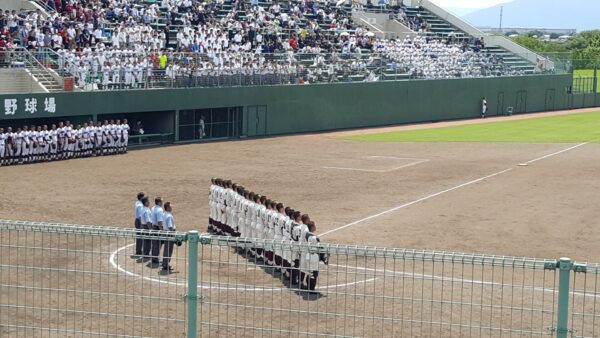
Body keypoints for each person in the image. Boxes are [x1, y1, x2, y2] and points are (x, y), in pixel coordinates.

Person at [301, 221, 328, 293]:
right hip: (313, 256)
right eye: (314, 226)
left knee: (310, 272)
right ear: (312, 227)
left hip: (308, 255)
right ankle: (311, 289)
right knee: (313, 273)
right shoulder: (314, 237)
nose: (315, 227)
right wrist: (324, 256)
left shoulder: (306, 234)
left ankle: (308, 287)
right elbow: (319, 248)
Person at [162, 202, 176, 272]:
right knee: (168, 250)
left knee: (166, 249)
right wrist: (174, 236)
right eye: (170, 206)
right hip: (169, 233)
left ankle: (165, 264)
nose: (171, 207)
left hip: (165, 232)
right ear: (167, 208)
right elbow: (170, 227)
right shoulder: (169, 216)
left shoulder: (164, 214)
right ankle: (165, 265)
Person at [150, 197, 165, 265]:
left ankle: (153, 257)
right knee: (157, 244)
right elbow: (159, 222)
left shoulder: (153, 208)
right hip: (157, 228)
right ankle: (155, 259)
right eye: (161, 201)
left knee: (154, 243)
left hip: (154, 227)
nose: (162, 203)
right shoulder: (159, 210)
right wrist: (162, 230)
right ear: (159, 202)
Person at [133, 192, 146, 258]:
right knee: (141, 236)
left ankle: (138, 251)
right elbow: (141, 216)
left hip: (136, 220)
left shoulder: (137, 202)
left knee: (139, 237)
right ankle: (140, 251)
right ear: (141, 198)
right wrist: (142, 224)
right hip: (140, 221)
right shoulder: (140, 205)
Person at [140, 197, 153, 261]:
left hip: (143, 225)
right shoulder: (146, 210)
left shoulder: (143, 209)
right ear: (145, 203)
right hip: (146, 226)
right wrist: (150, 229)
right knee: (147, 241)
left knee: (146, 240)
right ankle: (146, 254)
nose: (149, 202)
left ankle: (145, 253)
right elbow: (148, 221)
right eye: (148, 201)